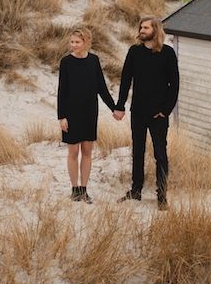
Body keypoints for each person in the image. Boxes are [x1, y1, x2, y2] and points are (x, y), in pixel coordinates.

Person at [113, 16, 179, 210]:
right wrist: (120, 105)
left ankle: (162, 195)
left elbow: (174, 84)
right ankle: (136, 190)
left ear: (155, 30)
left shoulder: (167, 53)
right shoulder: (134, 52)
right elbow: (125, 80)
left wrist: (165, 110)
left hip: (158, 114)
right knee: (138, 152)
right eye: (140, 27)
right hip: (138, 111)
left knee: (160, 154)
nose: (141, 30)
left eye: (146, 27)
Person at [57, 27, 117, 203]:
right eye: (72, 42)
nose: (73, 45)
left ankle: (84, 189)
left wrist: (114, 107)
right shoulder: (66, 62)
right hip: (71, 113)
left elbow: (101, 87)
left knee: (87, 151)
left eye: (77, 42)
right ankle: (74, 189)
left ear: (86, 43)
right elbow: (62, 90)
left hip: (90, 112)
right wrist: (62, 116)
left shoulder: (94, 60)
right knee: (73, 151)